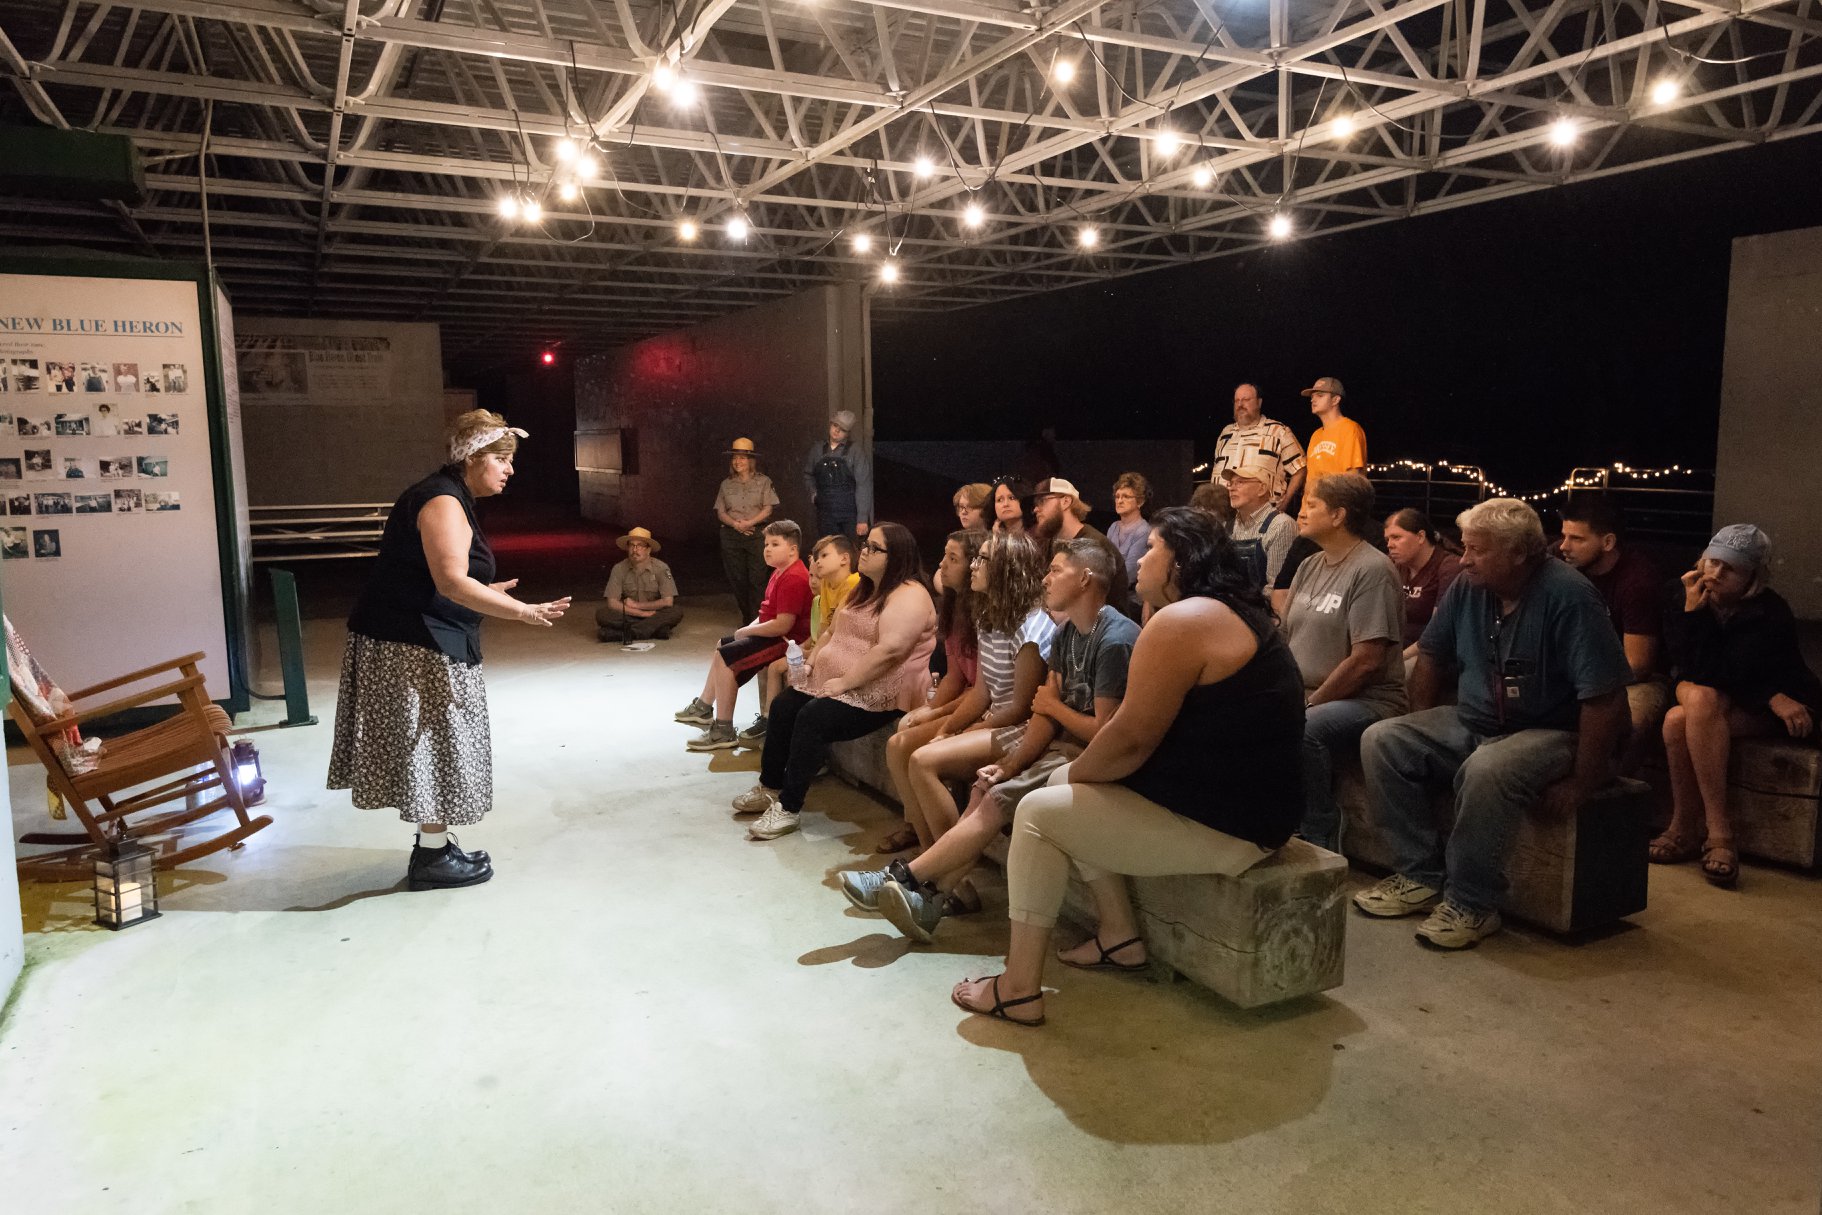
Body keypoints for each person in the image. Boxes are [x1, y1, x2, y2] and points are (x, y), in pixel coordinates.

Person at [948, 508, 1306, 1027]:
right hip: (1240, 804)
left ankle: (1018, 987)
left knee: (1038, 812)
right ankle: (1119, 937)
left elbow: (1129, 741)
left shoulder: (1184, 621)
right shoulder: (1221, 612)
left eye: (1152, 549)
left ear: (1182, 561)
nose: (1137, 561)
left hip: (1235, 822)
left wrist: (1070, 777)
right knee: (1062, 791)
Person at [1353, 499, 1630, 949]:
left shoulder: (1570, 596)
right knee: (1383, 739)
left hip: (1553, 731)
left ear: (1518, 553)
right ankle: (1419, 874)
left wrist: (1585, 780)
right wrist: (1420, 719)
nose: (1464, 560)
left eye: (1477, 550)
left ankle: (1472, 903)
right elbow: (1432, 657)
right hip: (1475, 719)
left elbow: (1605, 697)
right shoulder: (1468, 586)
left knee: (1487, 769)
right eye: (1464, 548)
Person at [328, 409, 571, 891]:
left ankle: (434, 847)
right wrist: (522, 610)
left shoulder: (447, 495)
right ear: (472, 457)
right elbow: (451, 582)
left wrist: (490, 588)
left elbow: (429, 574)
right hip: (413, 644)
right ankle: (433, 860)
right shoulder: (441, 501)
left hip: (418, 635)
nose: (509, 469)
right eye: (500, 458)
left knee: (437, 742)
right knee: (435, 744)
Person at [851, 539, 1140, 943]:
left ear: (1086, 578)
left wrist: (1050, 713)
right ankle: (933, 895)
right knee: (980, 788)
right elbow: (1039, 711)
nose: (1047, 577)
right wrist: (1009, 763)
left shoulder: (1113, 640)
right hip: (1055, 744)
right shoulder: (1069, 632)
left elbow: (1100, 731)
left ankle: (906, 878)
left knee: (987, 797)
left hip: (1086, 756)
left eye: (1056, 570)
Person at [734, 523, 937, 840]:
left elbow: (890, 651)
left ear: (895, 555)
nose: (864, 552)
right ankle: (770, 786)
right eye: (865, 544)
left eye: (873, 548)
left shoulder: (909, 594)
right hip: (841, 680)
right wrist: (813, 660)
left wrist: (844, 683)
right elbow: (831, 629)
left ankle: (789, 808)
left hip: (881, 691)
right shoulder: (866, 587)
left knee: (812, 717)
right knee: (785, 705)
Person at [1653, 525, 1821, 887]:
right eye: (1712, 562)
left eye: (1729, 569)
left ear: (1751, 577)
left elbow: (1735, 670)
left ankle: (1692, 829)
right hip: (1725, 694)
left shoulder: (1769, 610)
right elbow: (1685, 664)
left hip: (1774, 706)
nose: (1714, 574)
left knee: (1679, 718)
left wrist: (1772, 697)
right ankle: (1715, 834)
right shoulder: (1678, 593)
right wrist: (1692, 613)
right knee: (1697, 697)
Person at [895, 531, 1054, 852]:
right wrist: (947, 728)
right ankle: (928, 858)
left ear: (1007, 569)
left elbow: (1021, 708)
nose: (974, 567)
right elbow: (982, 692)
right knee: (901, 746)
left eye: (983, 559)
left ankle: (950, 875)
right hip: (994, 716)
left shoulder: (1032, 627)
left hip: (1018, 729)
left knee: (923, 762)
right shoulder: (988, 614)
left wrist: (963, 731)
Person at [1283, 474, 1407, 851]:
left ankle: (1320, 829)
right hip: (1310, 692)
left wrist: (1310, 701)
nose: (1301, 512)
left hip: (1367, 699)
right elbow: (1286, 636)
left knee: (1304, 727)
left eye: (1311, 505)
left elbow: (1366, 661)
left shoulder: (1372, 569)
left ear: (1338, 515)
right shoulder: (1309, 566)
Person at [882, 528, 987, 853]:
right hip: (967, 699)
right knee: (901, 734)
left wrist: (940, 716)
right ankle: (920, 836)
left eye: (953, 558)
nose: (941, 564)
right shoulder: (955, 608)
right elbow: (956, 676)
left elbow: (984, 691)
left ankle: (935, 855)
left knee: (910, 747)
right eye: (944, 555)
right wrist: (929, 711)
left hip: (985, 708)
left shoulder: (985, 614)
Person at [677, 521, 810, 751]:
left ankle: (724, 731)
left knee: (729, 660)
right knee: (724, 645)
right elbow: (765, 614)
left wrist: (746, 632)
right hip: (774, 636)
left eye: (775, 544)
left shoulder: (795, 577)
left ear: (792, 549)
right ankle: (704, 707)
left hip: (786, 643)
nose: (767, 548)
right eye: (766, 543)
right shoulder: (779, 572)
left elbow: (782, 625)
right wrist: (745, 631)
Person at [1557, 496, 1668, 771]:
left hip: (1638, 679)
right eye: (1563, 536)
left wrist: (1583, 680)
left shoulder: (1637, 581)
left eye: (1577, 539)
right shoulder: (1566, 566)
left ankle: (1616, 792)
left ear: (1607, 542)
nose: (1563, 547)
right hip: (1585, 670)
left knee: (1630, 720)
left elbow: (1639, 665)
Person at [741, 534, 858, 746]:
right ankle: (772, 723)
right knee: (781, 668)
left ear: (844, 559)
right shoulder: (822, 593)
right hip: (823, 650)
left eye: (824, 555)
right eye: (816, 558)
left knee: (788, 672)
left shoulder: (854, 584)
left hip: (844, 654)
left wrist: (809, 658)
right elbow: (823, 632)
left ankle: (786, 733)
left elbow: (837, 634)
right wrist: (805, 653)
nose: (813, 577)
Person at [1027, 476, 1129, 609]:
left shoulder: (1093, 546)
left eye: (1042, 501)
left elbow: (1084, 608)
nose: (1036, 509)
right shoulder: (1052, 543)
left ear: (1066, 501)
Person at [1209, 382, 1307, 512]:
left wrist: (1284, 503)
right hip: (1222, 513)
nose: (1240, 405)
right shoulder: (1225, 433)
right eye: (1237, 400)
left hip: (1263, 515)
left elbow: (1300, 469)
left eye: (1246, 400)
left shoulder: (1278, 431)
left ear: (1259, 403)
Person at [1384, 508, 1462, 664]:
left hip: (1429, 654)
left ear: (1420, 537)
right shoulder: (1392, 564)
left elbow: (1437, 632)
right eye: (1387, 539)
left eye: (1396, 537)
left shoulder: (1448, 567)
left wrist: (1396, 661)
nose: (1390, 545)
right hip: (1393, 649)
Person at [715, 437, 778, 624]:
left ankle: (757, 620)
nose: (737, 462)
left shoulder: (764, 482)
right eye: (735, 457)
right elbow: (720, 511)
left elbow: (768, 508)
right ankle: (747, 617)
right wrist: (736, 525)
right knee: (738, 580)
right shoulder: (726, 484)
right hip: (731, 535)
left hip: (756, 534)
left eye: (742, 458)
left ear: (751, 461)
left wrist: (749, 522)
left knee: (757, 580)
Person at [596, 526, 682, 643]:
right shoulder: (619, 568)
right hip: (633, 614)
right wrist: (643, 614)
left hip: (653, 612)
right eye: (632, 545)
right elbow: (612, 603)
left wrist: (636, 605)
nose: (635, 550)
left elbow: (667, 602)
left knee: (675, 612)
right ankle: (656, 630)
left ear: (648, 549)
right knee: (602, 615)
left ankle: (622, 634)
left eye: (640, 545)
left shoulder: (661, 568)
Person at [803, 408, 873, 541]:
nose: (837, 430)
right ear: (830, 424)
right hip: (825, 513)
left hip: (849, 513)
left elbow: (863, 485)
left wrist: (862, 519)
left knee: (851, 551)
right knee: (828, 549)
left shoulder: (855, 451)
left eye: (843, 429)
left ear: (847, 433)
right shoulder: (818, 449)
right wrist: (814, 494)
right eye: (835, 425)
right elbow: (808, 475)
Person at [1224, 459, 1294, 589]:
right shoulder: (1227, 528)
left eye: (1240, 482)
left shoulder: (1281, 525)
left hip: (1262, 607)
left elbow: (1275, 589)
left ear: (1261, 489)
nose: (1232, 488)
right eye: (1230, 483)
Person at [1301, 376, 1367, 497]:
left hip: (1335, 508)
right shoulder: (1316, 435)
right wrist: (1304, 511)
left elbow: (1352, 478)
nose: (1313, 400)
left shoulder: (1350, 429)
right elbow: (1310, 480)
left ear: (1335, 400)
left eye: (1320, 395)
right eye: (1312, 396)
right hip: (1313, 509)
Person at [1106, 472, 1152, 610]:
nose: (1119, 501)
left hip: (1130, 599)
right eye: (1117, 496)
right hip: (1109, 592)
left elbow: (1129, 574)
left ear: (1140, 502)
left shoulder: (1144, 530)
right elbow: (1103, 561)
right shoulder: (1113, 527)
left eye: (1126, 496)